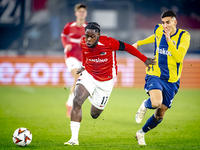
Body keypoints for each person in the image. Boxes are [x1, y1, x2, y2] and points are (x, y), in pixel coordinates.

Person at [64, 22, 156, 145]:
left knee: (94, 114)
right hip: (89, 75)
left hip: (105, 82)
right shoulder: (83, 42)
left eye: (92, 36)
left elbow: (128, 47)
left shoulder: (109, 42)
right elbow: (86, 56)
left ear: (99, 35)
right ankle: (74, 139)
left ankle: (93, 95)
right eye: (87, 36)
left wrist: (144, 59)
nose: (89, 39)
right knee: (77, 100)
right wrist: (83, 66)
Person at [133, 10, 190, 145]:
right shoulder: (159, 30)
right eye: (163, 22)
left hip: (172, 81)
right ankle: (145, 104)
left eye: (168, 22)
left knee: (160, 115)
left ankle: (141, 133)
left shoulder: (184, 36)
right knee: (155, 103)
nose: (165, 25)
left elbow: (179, 57)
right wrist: (139, 43)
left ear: (175, 22)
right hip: (155, 74)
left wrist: (169, 40)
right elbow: (154, 36)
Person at [61, 3, 87, 118]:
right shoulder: (69, 26)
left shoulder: (88, 28)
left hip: (82, 57)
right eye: (79, 12)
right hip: (71, 55)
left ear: (85, 14)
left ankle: (69, 103)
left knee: (79, 81)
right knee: (77, 77)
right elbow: (63, 35)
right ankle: (71, 105)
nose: (81, 14)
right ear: (76, 13)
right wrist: (66, 45)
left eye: (83, 12)